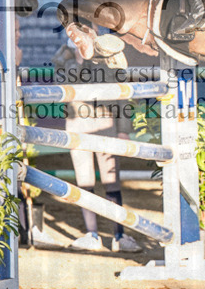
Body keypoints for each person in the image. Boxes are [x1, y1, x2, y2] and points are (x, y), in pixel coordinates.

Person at [51, 40, 142, 253]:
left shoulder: (108, 56)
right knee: (85, 180)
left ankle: (119, 235)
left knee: (112, 180)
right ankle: (92, 234)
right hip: (78, 124)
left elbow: (123, 93)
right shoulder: (65, 59)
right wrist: (71, 57)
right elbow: (60, 87)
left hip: (106, 122)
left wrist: (123, 129)